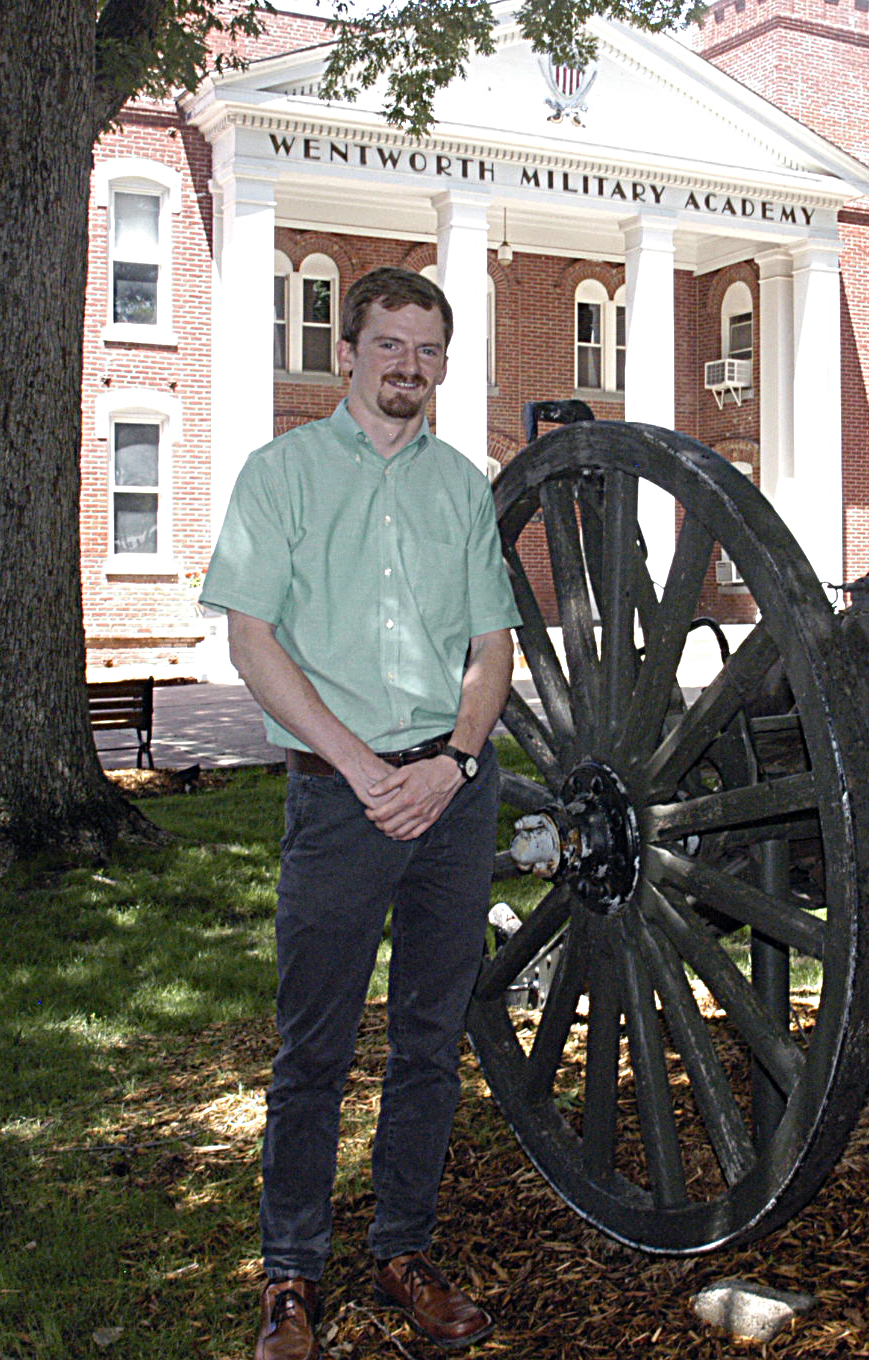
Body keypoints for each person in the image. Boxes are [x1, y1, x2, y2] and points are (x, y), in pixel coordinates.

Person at [201, 265, 518, 1356]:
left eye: (428, 350)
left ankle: (403, 1253)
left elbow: (491, 650)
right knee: (313, 1052)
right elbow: (253, 640)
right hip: (338, 802)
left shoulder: (460, 487)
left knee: (431, 1041)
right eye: (389, 344)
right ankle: (289, 1277)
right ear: (346, 351)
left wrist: (455, 764)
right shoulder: (280, 474)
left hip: (448, 801)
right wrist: (356, 764)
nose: (408, 368)